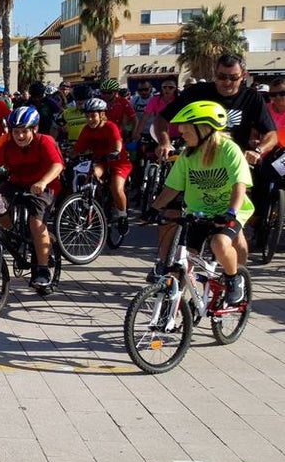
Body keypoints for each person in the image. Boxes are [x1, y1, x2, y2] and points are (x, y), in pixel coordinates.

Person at [156, 55, 277, 235]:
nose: (227, 82)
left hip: (231, 161)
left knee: (241, 211)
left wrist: (258, 151)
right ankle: (167, 261)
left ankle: (248, 235)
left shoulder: (252, 98)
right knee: (170, 213)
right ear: (215, 74)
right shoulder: (198, 92)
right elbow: (161, 119)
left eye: (233, 77)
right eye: (221, 77)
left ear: (244, 75)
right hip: (195, 157)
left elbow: (271, 134)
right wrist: (165, 143)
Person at [146, 101, 252, 305]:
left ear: (204, 129)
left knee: (219, 243)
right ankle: (172, 312)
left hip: (229, 210)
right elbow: (172, 188)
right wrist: (154, 209)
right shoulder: (187, 154)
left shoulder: (229, 150)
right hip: (198, 212)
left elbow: (240, 185)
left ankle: (233, 279)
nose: (182, 134)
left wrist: (231, 212)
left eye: (186, 130)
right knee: (184, 260)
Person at [0, 106, 64, 288]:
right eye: (16, 132)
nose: (20, 136)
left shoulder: (44, 141)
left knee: (36, 222)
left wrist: (43, 181)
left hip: (44, 187)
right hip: (16, 184)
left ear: (34, 129)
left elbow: (57, 165)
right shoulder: (8, 146)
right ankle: (13, 236)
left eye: (24, 131)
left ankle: (42, 269)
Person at [74, 97, 131, 234]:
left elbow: (117, 145)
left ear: (102, 115)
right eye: (87, 116)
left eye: (93, 116)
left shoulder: (110, 126)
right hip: (100, 162)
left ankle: (122, 216)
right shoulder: (86, 129)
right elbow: (77, 149)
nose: (90, 119)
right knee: (91, 174)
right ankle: (91, 204)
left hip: (118, 162)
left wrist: (115, 152)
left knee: (116, 188)